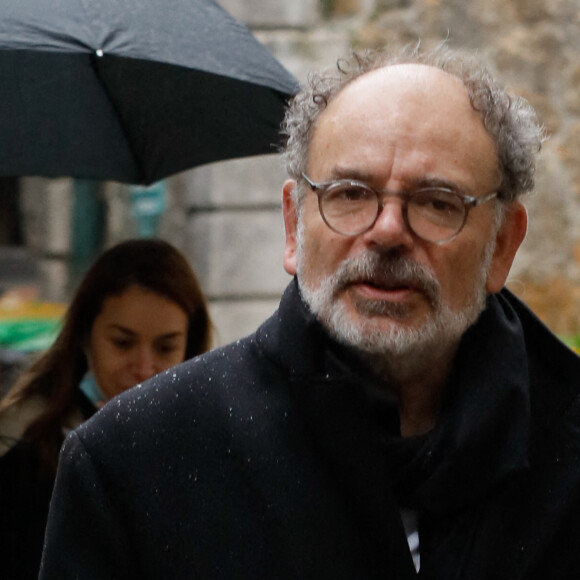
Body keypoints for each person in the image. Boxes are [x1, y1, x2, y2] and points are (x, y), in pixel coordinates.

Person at [40, 43, 580, 580]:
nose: (387, 231)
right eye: (349, 193)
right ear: (294, 224)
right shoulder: (135, 461)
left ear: (503, 244)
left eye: (438, 202)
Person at [0, 238, 212, 579]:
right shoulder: (31, 461)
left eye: (165, 347)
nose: (144, 368)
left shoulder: (213, 457)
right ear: (85, 337)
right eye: (122, 343)